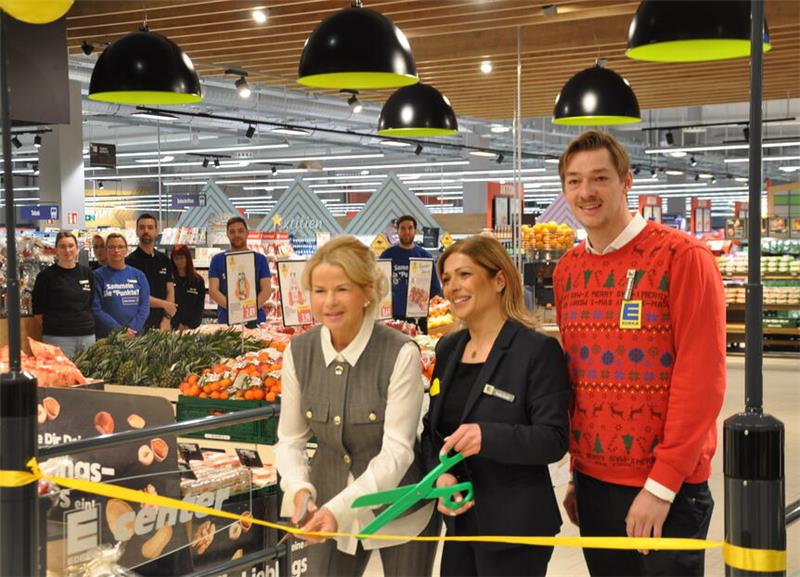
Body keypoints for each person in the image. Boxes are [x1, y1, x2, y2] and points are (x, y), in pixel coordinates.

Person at [553, 130, 726, 577]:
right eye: (574, 181)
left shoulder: (682, 257)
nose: (586, 192)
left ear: (627, 181)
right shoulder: (568, 270)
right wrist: (576, 473)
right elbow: (577, 378)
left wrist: (661, 486)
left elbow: (701, 381)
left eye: (600, 178)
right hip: (593, 483)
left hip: (667, 489)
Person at [274, 235, 439, 577]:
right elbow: (290, 439)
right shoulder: (299, 352)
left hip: (399, 509)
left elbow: (398, 451)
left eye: (342, 289)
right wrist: (299, 489)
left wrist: (341, 508)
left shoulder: (400, 352)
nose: (329, 302)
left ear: (367, 292)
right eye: (319, 290)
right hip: (326, 503)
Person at [421, 235, 570, 577]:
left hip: (515, 527)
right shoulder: (448, 348)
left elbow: (554, 439)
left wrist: (487, 437)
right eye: (446, 278)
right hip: (461, 524)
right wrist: (440, 476)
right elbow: (432, 431)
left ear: (499, 280)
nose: (453, 287)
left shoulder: (536, 351)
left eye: (464, 274)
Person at [32, 231, 96, 357]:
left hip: (87, 335)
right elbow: (38, 312)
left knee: (88, 369)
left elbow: (91, 302)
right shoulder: (46, 276)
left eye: (71, 246)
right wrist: (57, 327)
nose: (67, 250)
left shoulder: (87, 273)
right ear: (56, 250)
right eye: (62, 247)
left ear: (77, 248)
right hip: (58, 337)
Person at [379, 215, 442, 333]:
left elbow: (435, 287)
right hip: (393, 317)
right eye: (403, 228)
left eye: (410, 228)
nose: (406, 232)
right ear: (397, 231)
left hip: (419, 317)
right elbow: (379, 284)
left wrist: (423, 300)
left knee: (420, 343)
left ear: (415, 231)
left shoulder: (425, 256)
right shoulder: (387, 255)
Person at [208, 216, 271, 328]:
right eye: (232, 232)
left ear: (247, 233)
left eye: (240, 231)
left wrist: (249, 309)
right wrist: (235, 309)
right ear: (227, 234)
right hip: (227, 321)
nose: (236, 235)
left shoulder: (260, 259)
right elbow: (213, 291)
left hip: (256, 320)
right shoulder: (217, 260)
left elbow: (266, 290)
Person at [92, 233, 150, 338]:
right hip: (107, 337)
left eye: (120, 247)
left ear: (126, 250)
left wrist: (132, 328)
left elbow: (144, 306)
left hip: (135, 337)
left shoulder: (139, 275)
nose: (116, 250)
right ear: (106, 250)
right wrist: (120, 330)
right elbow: (96, 309)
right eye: (112, 247)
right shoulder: (97, 276)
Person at [125, 213, 175, 331]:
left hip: (163, 324)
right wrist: (164, 304)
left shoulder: (164, 260)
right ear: (137, 231)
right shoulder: (129, 262)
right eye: (142, 228)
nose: (146, 231)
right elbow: (136, 295)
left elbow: (170, 290)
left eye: (150, 227)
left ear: (156, 231)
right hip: (138, 325)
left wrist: (167, 318)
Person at [170, 244, 206, 331]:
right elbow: (167, 304)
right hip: (172, 328)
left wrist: (189, 326)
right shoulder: (169, 280)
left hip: (192, 329)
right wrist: (176, 324)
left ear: (187, 258)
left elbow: (199, 308)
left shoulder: (198, 281)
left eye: (182, 258)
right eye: (176, 258)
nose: (179, 261)